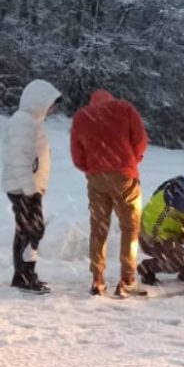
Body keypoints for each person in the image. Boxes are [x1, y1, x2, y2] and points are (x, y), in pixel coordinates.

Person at [70, 89, 148, 298]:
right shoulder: (125, 109)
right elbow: (140, 140)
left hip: (96, 178)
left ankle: (97, 279)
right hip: (124, 175)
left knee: (98, 228)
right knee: (130, 227)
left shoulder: (82, 117)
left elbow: (77, 155)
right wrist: (131, 160)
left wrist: (91, 168)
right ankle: (127, 279)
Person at [1, 79, 62, 293]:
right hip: (24, 188)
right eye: (51, 103)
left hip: (25, 187)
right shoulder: (23, 122)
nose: (53, 108)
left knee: (27, 231)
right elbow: (20, 158)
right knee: (32, 231)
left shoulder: (29, 121)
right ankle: (25, 277)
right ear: (39, 101)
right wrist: (31, 191)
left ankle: (24, 275)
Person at [138, 175, 184, 286]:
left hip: (156, 234)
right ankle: (147, 267)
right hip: (152, 239)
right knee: (179, 260)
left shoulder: (181, 187)